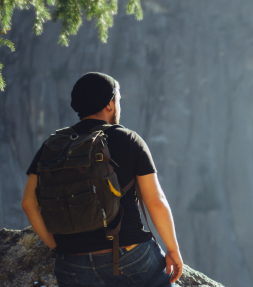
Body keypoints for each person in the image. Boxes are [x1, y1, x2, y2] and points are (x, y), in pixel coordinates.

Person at [22, 72, 183, 287]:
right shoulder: (127, 139)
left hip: (72, 263)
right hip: (128, 254)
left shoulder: (53, 144)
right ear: (110, 104)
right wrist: (173, 250)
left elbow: (28, 203)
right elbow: (155, 200)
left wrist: (58, 247)